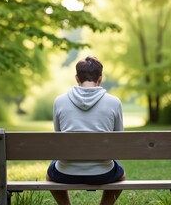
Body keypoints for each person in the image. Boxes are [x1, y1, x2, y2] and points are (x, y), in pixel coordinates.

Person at [46, 56, 126, 205]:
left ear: (77, 78)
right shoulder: (114, 102)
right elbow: (119, 141)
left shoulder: (59, 101)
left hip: (66, 173)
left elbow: (58, 137)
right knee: (121, 174)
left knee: (50, 174)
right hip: (103, 173)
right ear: (100, 79)